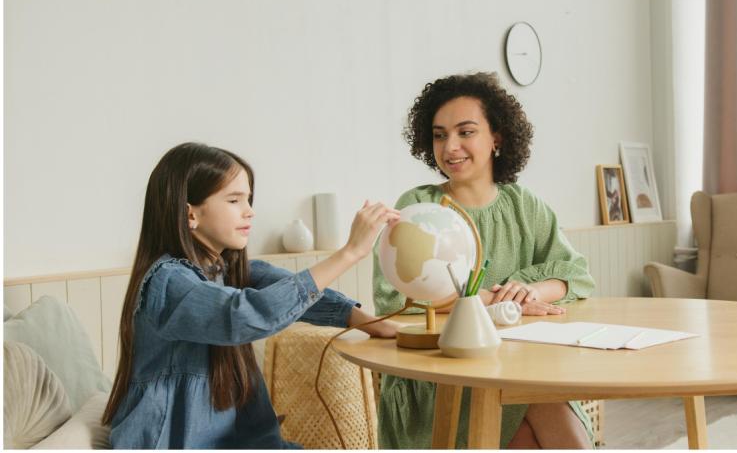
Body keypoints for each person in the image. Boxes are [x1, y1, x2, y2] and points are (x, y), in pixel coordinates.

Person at [101, 142, 400, 448]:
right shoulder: (167, 283)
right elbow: (245, 315)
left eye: (249, 199)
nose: (250, 211)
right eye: (234, 200)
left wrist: (370, 323)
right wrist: (349, 253)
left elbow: (299, 291)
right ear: (190, 214)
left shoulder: (228, 270)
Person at [373, 72, 597, 449]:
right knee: (536, 419)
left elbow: (576, 274)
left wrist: (529, 289)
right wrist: (494, 300)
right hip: (440, 379)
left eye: (465, 132)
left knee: (537, 408)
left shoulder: (525, 206)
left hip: (517, 369)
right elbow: (395, 302)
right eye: (440, 134)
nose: (451, 147)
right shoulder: (418, 206)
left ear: (497, 137)